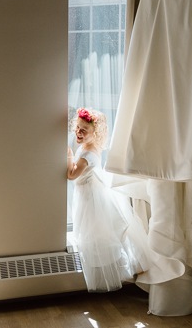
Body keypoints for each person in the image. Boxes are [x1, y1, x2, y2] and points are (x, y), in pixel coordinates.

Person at [67, 107, 152, 292]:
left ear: (94, 134)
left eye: (84, 130)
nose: (78, 133)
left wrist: (68, 157)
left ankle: (105, 274)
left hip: (90, 200)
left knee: (95, 234)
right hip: (90, 195)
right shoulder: (90, 148)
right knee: (95, 233)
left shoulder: (87, 155)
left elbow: (72, 175)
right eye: (77, 128)